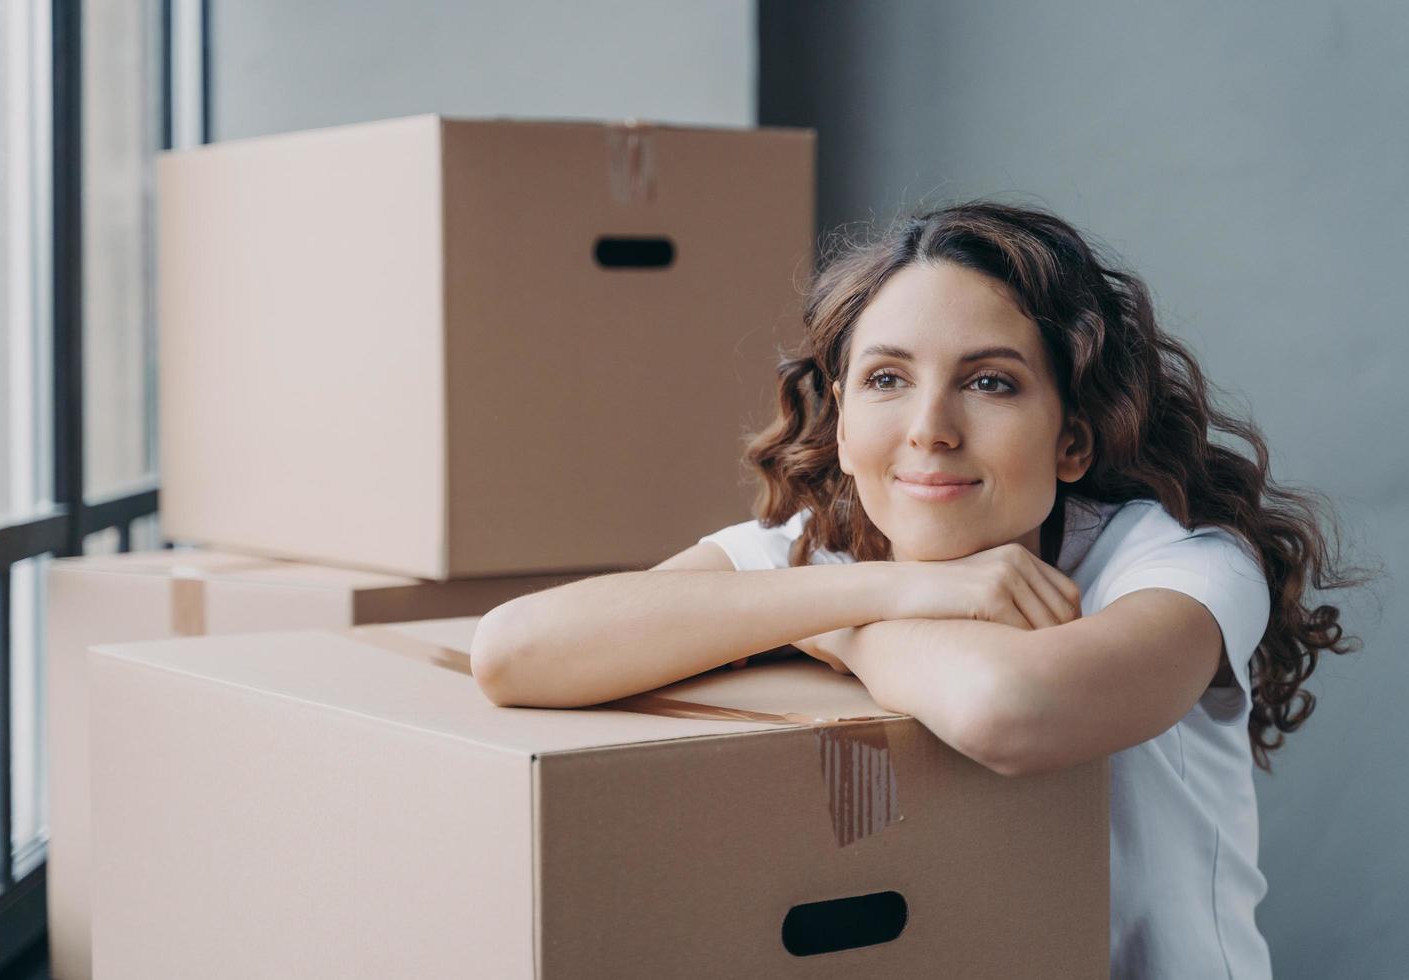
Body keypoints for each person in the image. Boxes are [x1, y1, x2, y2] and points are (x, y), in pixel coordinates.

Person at [470, 199, 1366, 978]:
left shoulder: (1180, 561)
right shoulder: (819, 550)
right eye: (888, 379)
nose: (930, 429)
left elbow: (1009, 709)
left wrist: (833, 625)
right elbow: (514, 651)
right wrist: (889, 594)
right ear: (845, 417)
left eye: (989, 382)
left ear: (1073, 441)